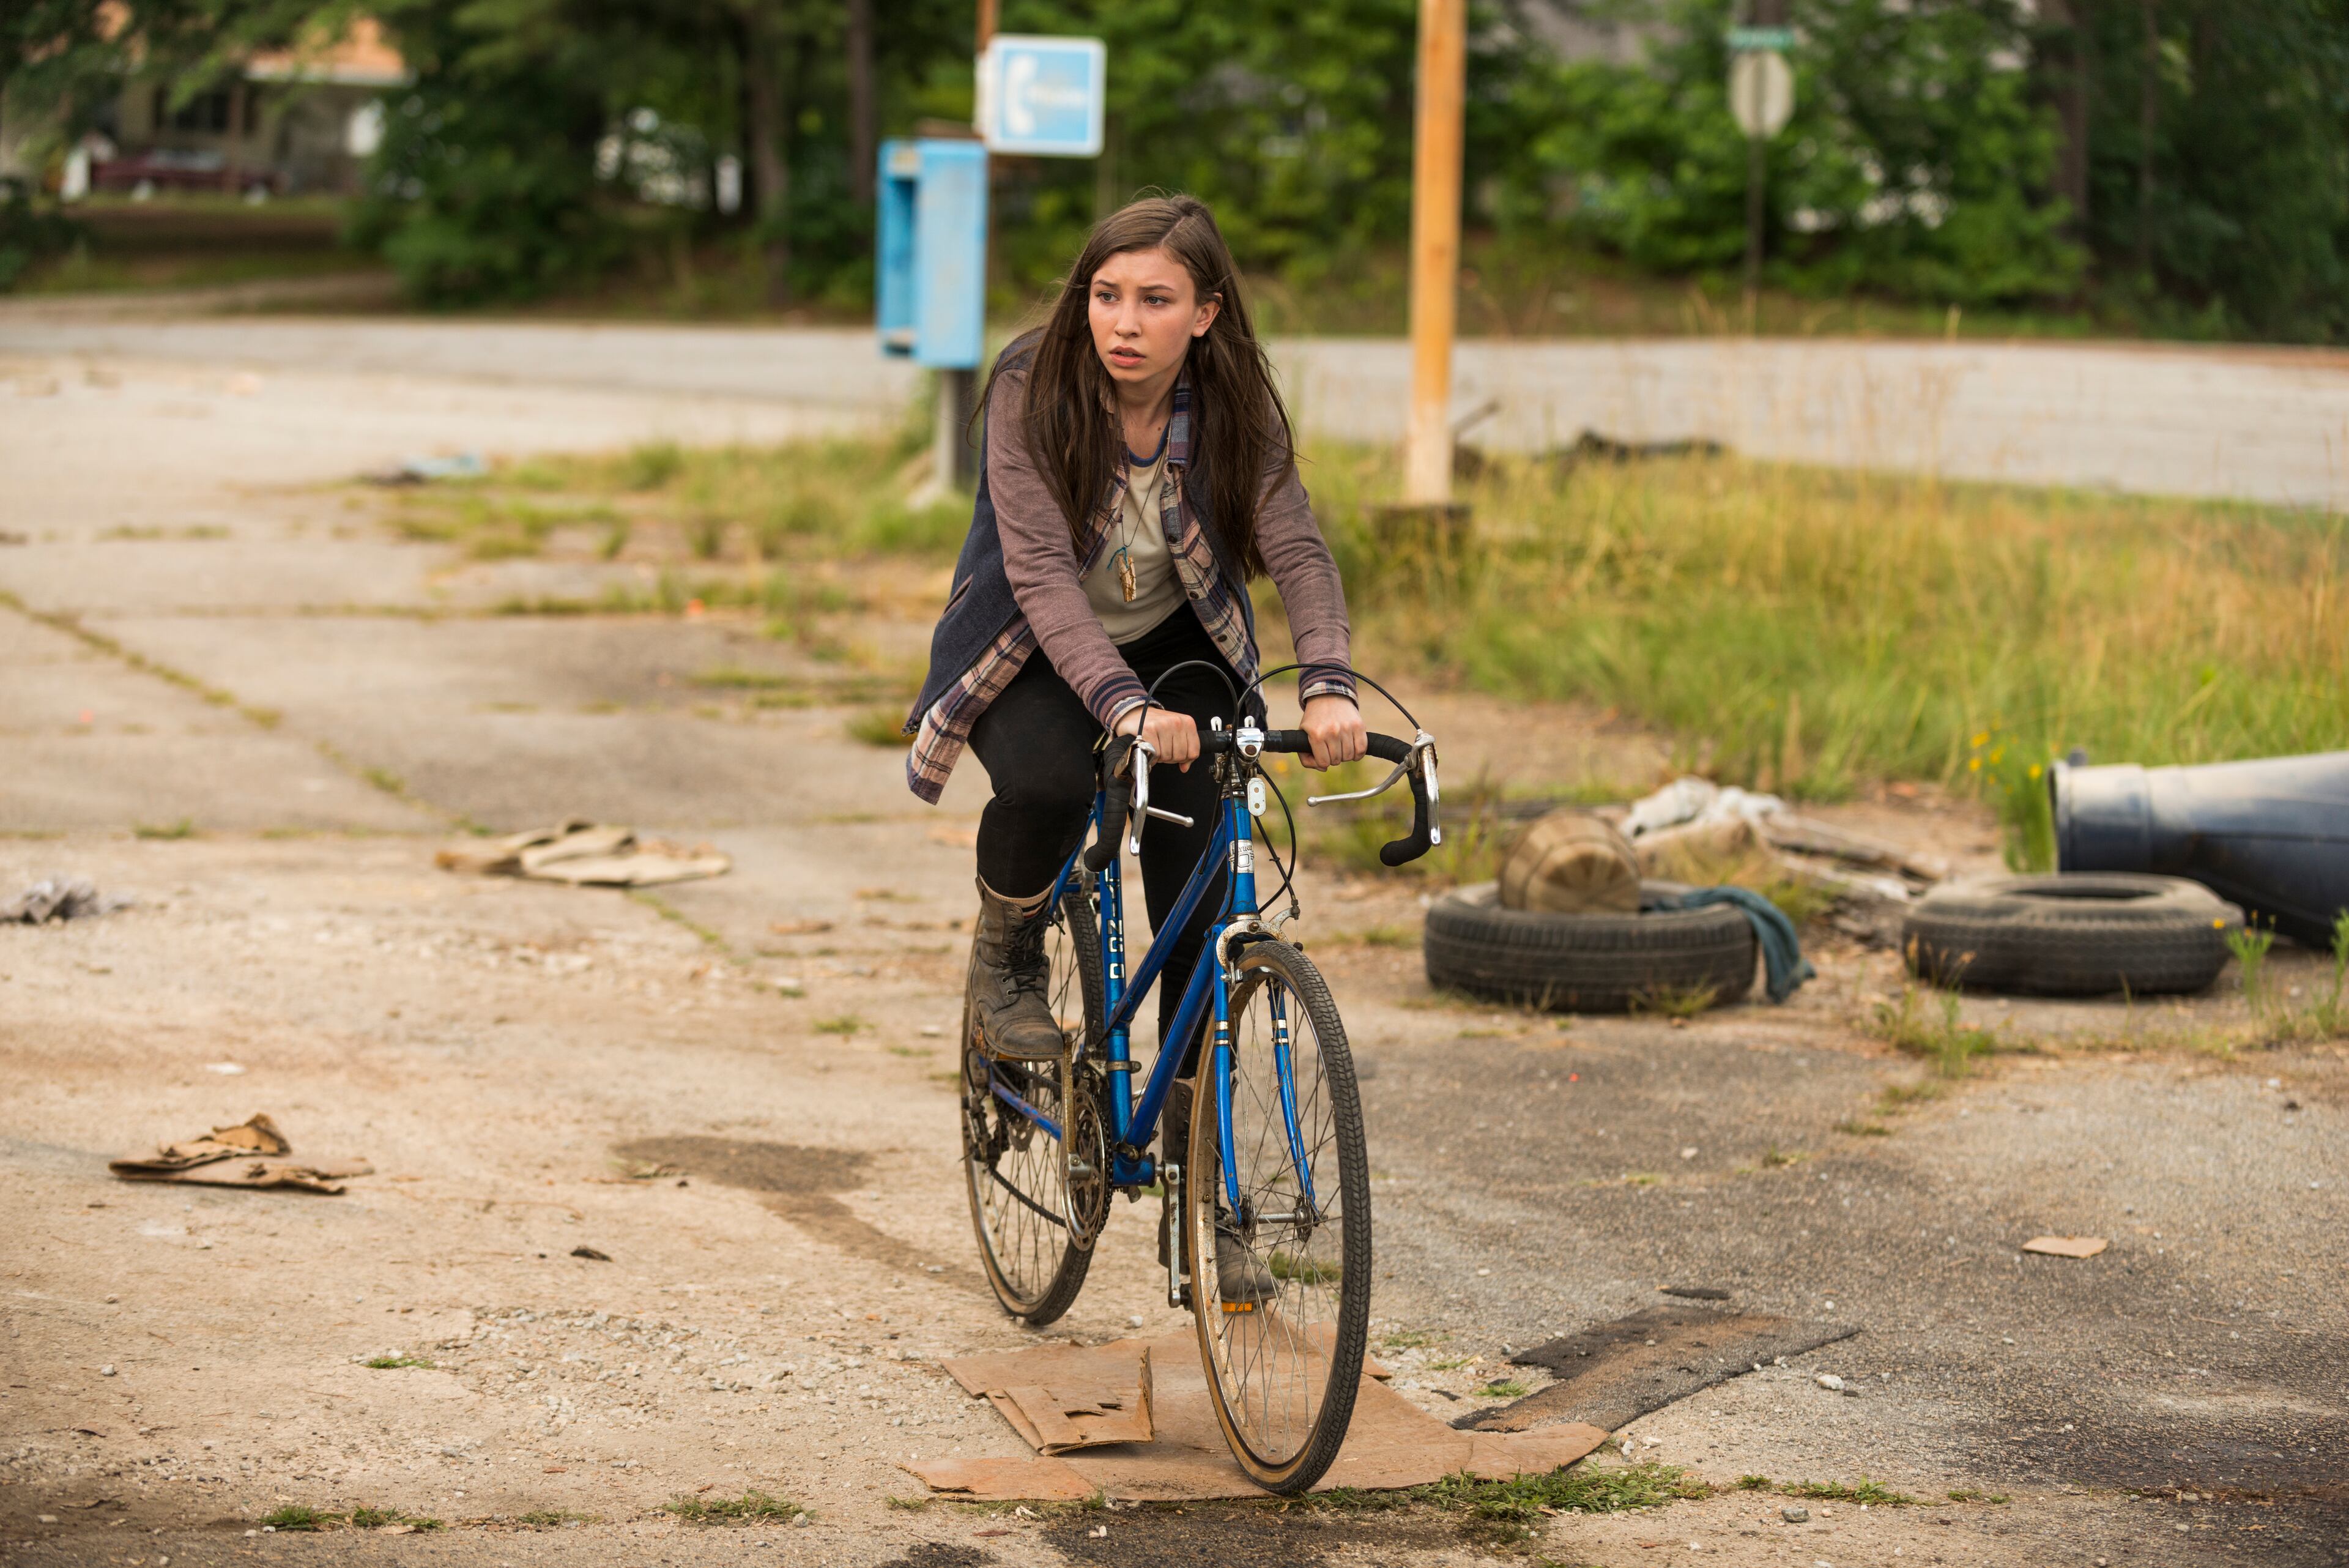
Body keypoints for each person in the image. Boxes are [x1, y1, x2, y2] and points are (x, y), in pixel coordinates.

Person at [903, 194, 1365, 1199]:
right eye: (1106, 294)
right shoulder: (1036, 384)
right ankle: (1011, 953)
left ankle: (1205, 1193)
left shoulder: (1235, 398)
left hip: (1179, 641)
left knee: (1200, 905)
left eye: (1154, 299)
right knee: (1048, 784)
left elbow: (1297, 550)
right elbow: (1038, 573)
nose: (1122, 321)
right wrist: (1118, 706)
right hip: (1034, 640)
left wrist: (1327, 678)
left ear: (1203, 314)